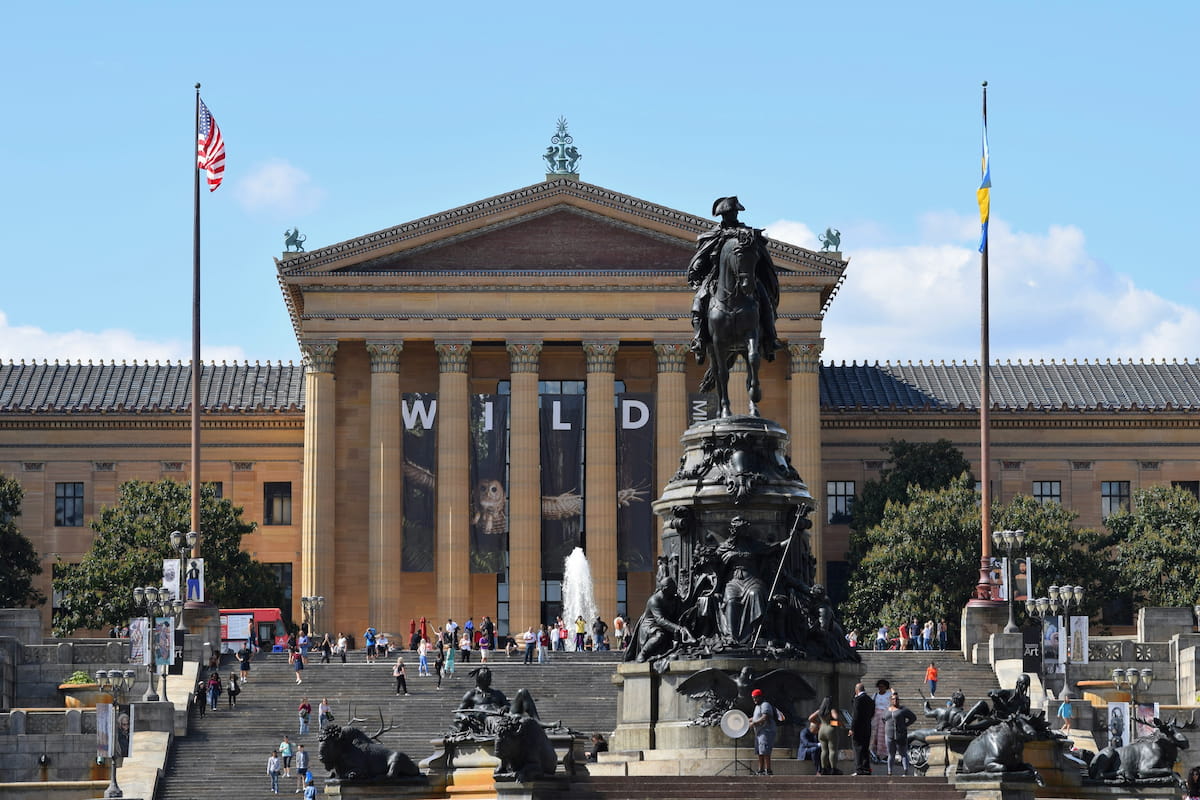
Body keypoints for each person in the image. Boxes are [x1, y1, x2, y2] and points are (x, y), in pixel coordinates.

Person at [686, 195, 783, 363]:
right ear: (723, 215)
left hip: (747, 278)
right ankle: (699, 340)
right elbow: (702, 256)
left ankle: (770, 338)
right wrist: (697, 268)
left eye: (734, 213)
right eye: (730, 213)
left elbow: (760, 255)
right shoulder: (714, 235)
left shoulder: (747, 234)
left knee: (765, 300)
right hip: (716, 279)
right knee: (698, 302)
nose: (733, 216)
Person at [882, 694, 916, 776]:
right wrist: (887, 728)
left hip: (900, 735)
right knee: (891, 753)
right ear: (891, 700)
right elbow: (883, 719)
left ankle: (906, 770)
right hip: (889, 735)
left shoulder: (903, 710)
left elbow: (913, 718)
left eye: (897, 699)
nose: (895, 701)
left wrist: (905, 725)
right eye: (893, 699)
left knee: (903, 753)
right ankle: (889, 772)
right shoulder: (886, 710)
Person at [808, 696, 840, 775]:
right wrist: (834, 723)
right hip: (830, 730)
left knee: (824, 750)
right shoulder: (831, 710)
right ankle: (833, 769)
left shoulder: (820, 711)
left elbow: (810, 718)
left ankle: (823, 769)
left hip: (821, 730)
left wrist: (819, 723)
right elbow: (836, 718)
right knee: (832, 750)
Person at [749, 688, 778, 776]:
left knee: (765, 751)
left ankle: (768, 770)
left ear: (760, 697)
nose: (754, 700)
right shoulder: (757, 706)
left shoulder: (765, 705)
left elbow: (765, 717)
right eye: (753, 698)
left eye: (756, 698)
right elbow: (755, 718)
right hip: (759, 732)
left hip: (766, 731)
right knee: (760, 751)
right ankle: (760, 769)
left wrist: (754, 723)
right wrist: (746, 720)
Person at [850, 682, 875, 775]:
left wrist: (852, 728)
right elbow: (872, 714)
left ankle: (859, 769)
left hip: (858, 727)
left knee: (857, 748)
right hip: (867, 727)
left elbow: (855, 715)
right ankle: (866, 768)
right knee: (865, 748)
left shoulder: (858, 700)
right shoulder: (870, 700)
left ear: (856, 690)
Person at [871, 679, 893, 764]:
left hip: (885, 716)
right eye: (879, 687)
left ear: (886, 687)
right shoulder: (875, 695)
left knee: (883, 736)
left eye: (882, 686)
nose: (880, 688)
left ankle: (885, 754)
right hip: (875, 717)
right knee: (874, 736)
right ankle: (874, 753)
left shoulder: (889, 695)